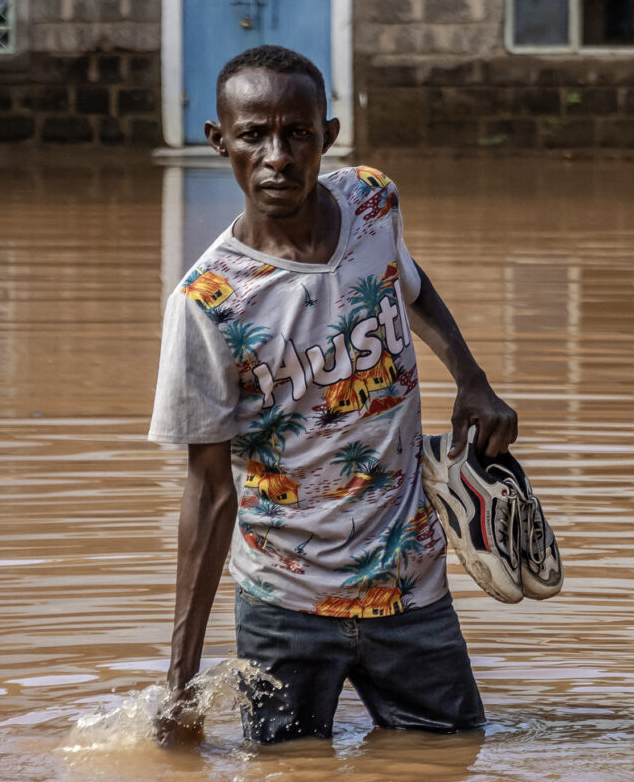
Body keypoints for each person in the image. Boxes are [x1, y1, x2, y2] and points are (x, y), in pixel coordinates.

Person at [147, 44, 518, 745]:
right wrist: (181, 685)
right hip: (285, 607)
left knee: (449, 765)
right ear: (218, 140)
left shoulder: (371, 200)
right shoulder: (209, 304)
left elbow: (406, 282)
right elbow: (207, 493)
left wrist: (472, 379)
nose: (277, 156)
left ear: (329, 136)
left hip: (412, 586)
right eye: (254, 135)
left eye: (299, 133)